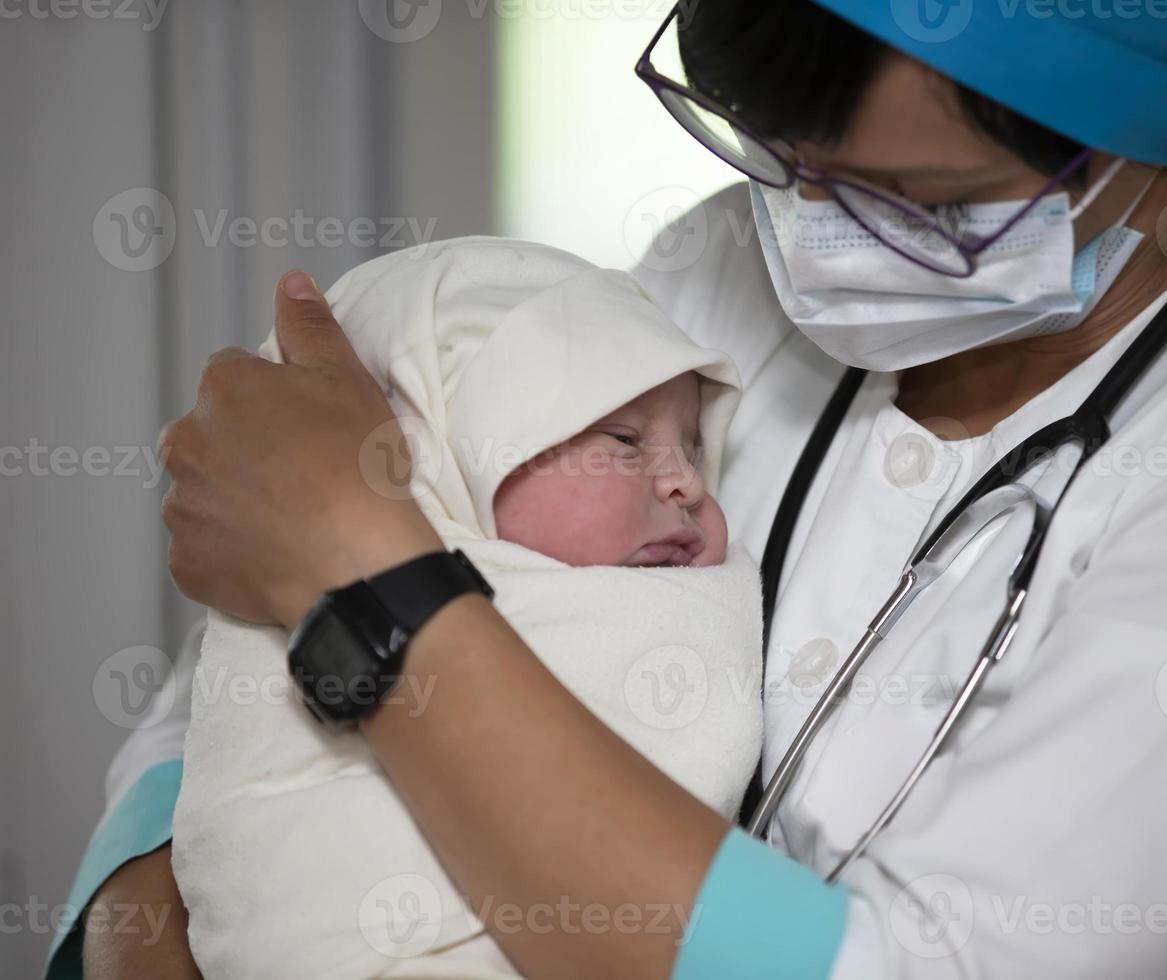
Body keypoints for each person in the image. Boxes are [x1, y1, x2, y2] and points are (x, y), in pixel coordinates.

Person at [51, 1, 1167, 978]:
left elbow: (330, 559)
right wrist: (135, 936)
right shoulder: (718, 262)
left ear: (1151, 154)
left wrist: (372, 583)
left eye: (911, 202)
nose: (804, 237)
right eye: (779, 162)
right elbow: (247, 665)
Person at [168, 238, 762, 979]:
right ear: (441, 454)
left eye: (698, 447)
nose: (686, 481)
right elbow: (206, 768)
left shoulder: (664, 605)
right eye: (623, 438)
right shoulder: (280, 593)